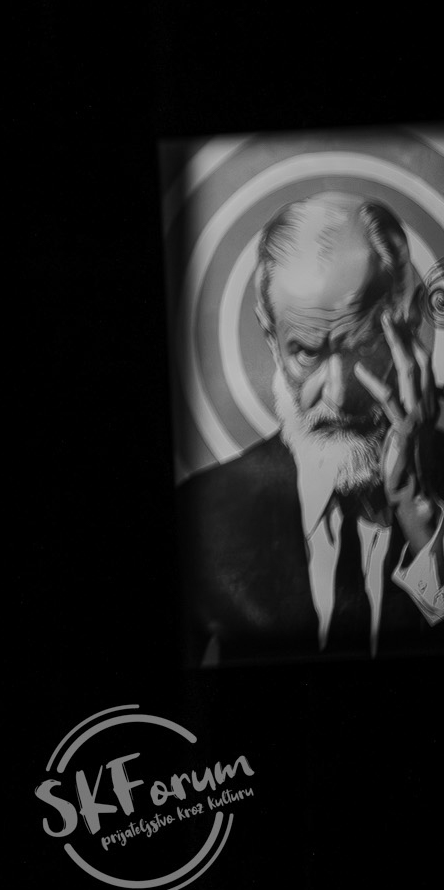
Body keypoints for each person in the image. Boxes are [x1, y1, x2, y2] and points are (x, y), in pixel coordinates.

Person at [178, 192, 443, 665]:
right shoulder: (200, 517)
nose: (337, 396)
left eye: (364, 345)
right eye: (305, 351)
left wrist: (423, 522)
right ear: (271, 338)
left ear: (408, 326)